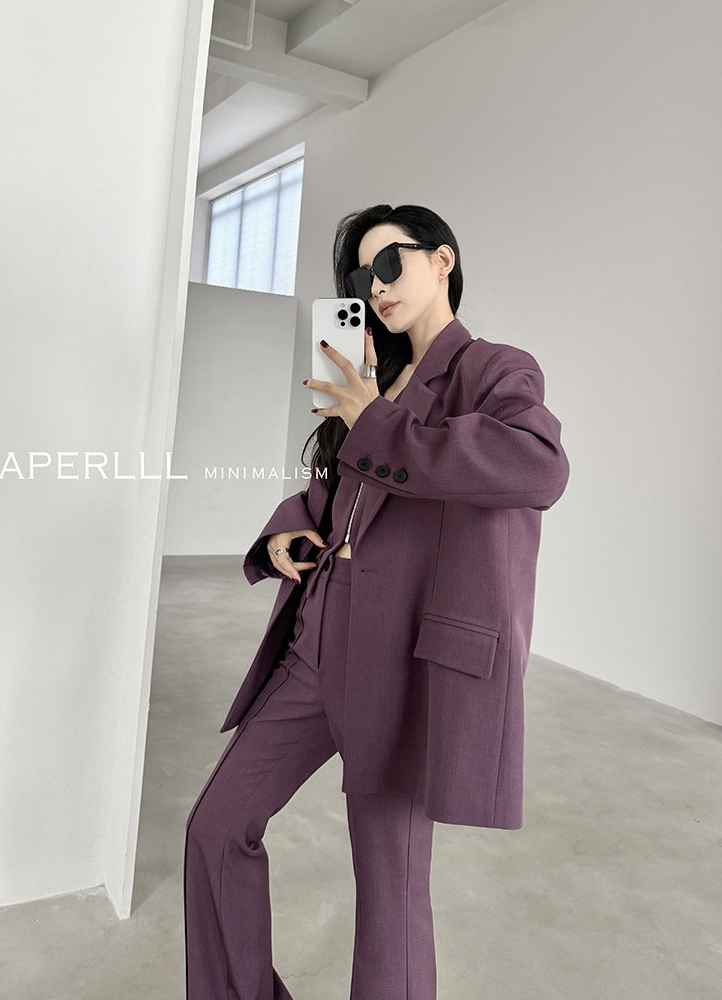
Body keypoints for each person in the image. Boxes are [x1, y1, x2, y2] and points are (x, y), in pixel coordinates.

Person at [184, 204, 570, 1000]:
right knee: (216, 828)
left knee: (390, 892)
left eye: (389, 263)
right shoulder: (371, 378)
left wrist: (377, 419)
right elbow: (332, 494)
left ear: (443, 260)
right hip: (316, 639)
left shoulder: (494, 370)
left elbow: (537, 467)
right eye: (362, 275)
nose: (376, 285)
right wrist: (288, 530)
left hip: (398, 660)